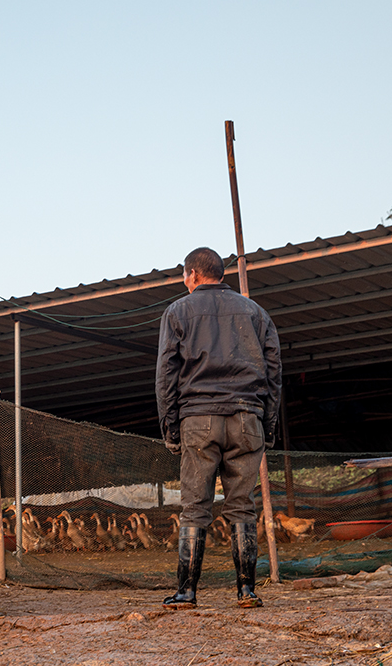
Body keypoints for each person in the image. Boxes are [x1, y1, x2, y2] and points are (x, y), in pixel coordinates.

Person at [155, 247, 281, 610]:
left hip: (198, 418)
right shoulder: (256, 313)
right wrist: (267, 425)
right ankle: (246, 591)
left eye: (184, 275)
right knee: (242, 506)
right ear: (221, 274)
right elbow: (274, 372)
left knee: (195, 507)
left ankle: (187, 591)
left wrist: (171, 428)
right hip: (247, 417)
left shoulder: (178, 311)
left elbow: (166, 375)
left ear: (193, 275)